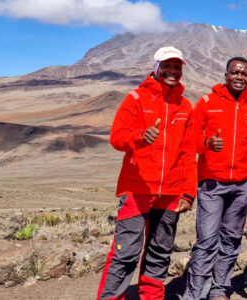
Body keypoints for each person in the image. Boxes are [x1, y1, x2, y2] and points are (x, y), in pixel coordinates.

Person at [96, 46, 197, 300]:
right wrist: (140, 138)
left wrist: (188, 192)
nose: (173, 71)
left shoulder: (185, 106)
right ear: (156, 68)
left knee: (160, 252)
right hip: (137, 189)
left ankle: (152, 297)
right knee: (125, 253)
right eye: (167, 66)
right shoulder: (136, 98)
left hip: (171, 192)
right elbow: (117, 138)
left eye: (177, 67)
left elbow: (188, 153)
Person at [182, 57, 247, 300]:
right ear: (226, 74)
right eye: (235, 72)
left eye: (244, 74)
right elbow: (189, 141)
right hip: (212, 184)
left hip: (242, 186)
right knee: (206, 240)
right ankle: (195, 294)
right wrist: (206, 143)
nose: (240, 77)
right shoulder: (207, 103)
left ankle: (220, 290)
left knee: (231, 240)